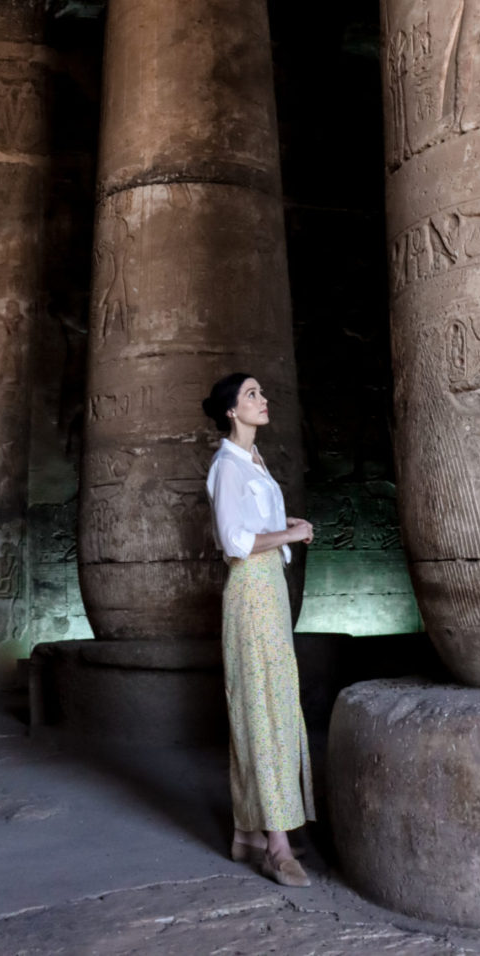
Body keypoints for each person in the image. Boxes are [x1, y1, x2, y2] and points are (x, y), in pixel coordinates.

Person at [203, 371, 316, 887]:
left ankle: (251, 831)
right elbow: (234, 542)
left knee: (272, 703)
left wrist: (285, 526)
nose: (262, 400)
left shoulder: (254, 463)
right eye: (252, 395)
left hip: (268, 587)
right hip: (250, 591)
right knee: (262, 709)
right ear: (231, 410)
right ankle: (276, 845)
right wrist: (289, 533)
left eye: (262, 393)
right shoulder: (227, 465)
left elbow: (255, 526)